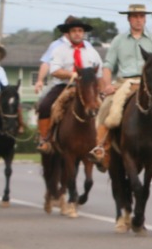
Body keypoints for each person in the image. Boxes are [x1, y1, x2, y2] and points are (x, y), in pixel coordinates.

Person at [92, 4, 152, 171]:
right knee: (106, 107)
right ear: (129, 19)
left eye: (141, 16)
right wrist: (107, 85)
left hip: (149, 84)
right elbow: (108, 65)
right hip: (124, 83)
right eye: (135, 16)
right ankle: (101, 150)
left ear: (145, 18)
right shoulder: (118, 40)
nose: (138, 20)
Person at [36, 17, 103, 152]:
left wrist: (100, 91)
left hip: (87, 88)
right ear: (69, 33)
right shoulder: (59, 49)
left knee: (105, 109)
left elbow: (99, 73)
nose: (77, 33)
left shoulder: (91, 51)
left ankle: (102, 144)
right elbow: (54, 70)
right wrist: (70, 74)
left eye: (80, 31)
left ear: (83, 33)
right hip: (64, 86)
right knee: (45, 106)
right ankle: (45, 139)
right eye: (74, 31)